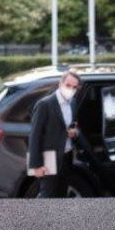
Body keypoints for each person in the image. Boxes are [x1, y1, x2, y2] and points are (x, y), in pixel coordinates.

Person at [28, 70, 82, 198]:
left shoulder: (73, 102)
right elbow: (35, 135)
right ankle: (43, 218)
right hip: (49, 157)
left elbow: (73, 125)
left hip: (67, 157)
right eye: (68, 85)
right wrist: (36, 166)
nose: (71, 89)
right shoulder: (45, 104)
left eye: (75, 87)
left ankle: (58, 218)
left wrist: (75, 133)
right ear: (60, 84)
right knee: (48, 195)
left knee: (62, 193)